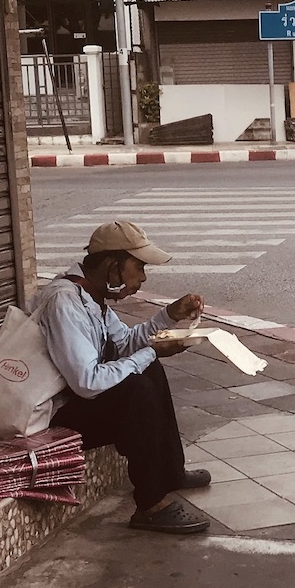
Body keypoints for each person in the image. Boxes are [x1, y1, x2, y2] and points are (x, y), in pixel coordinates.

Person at [32, 220, 212, 534]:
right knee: (137, 389)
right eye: (138, 267)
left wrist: (169, 315)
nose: (141, 278)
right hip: (54, 413)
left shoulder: (90, 297)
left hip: (79, 398)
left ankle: (171, 473)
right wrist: (154, 351)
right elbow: (87, 383)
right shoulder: (65, 302)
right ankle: (150, 504)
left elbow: (127, 342)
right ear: (112, 266)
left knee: (147, 368)